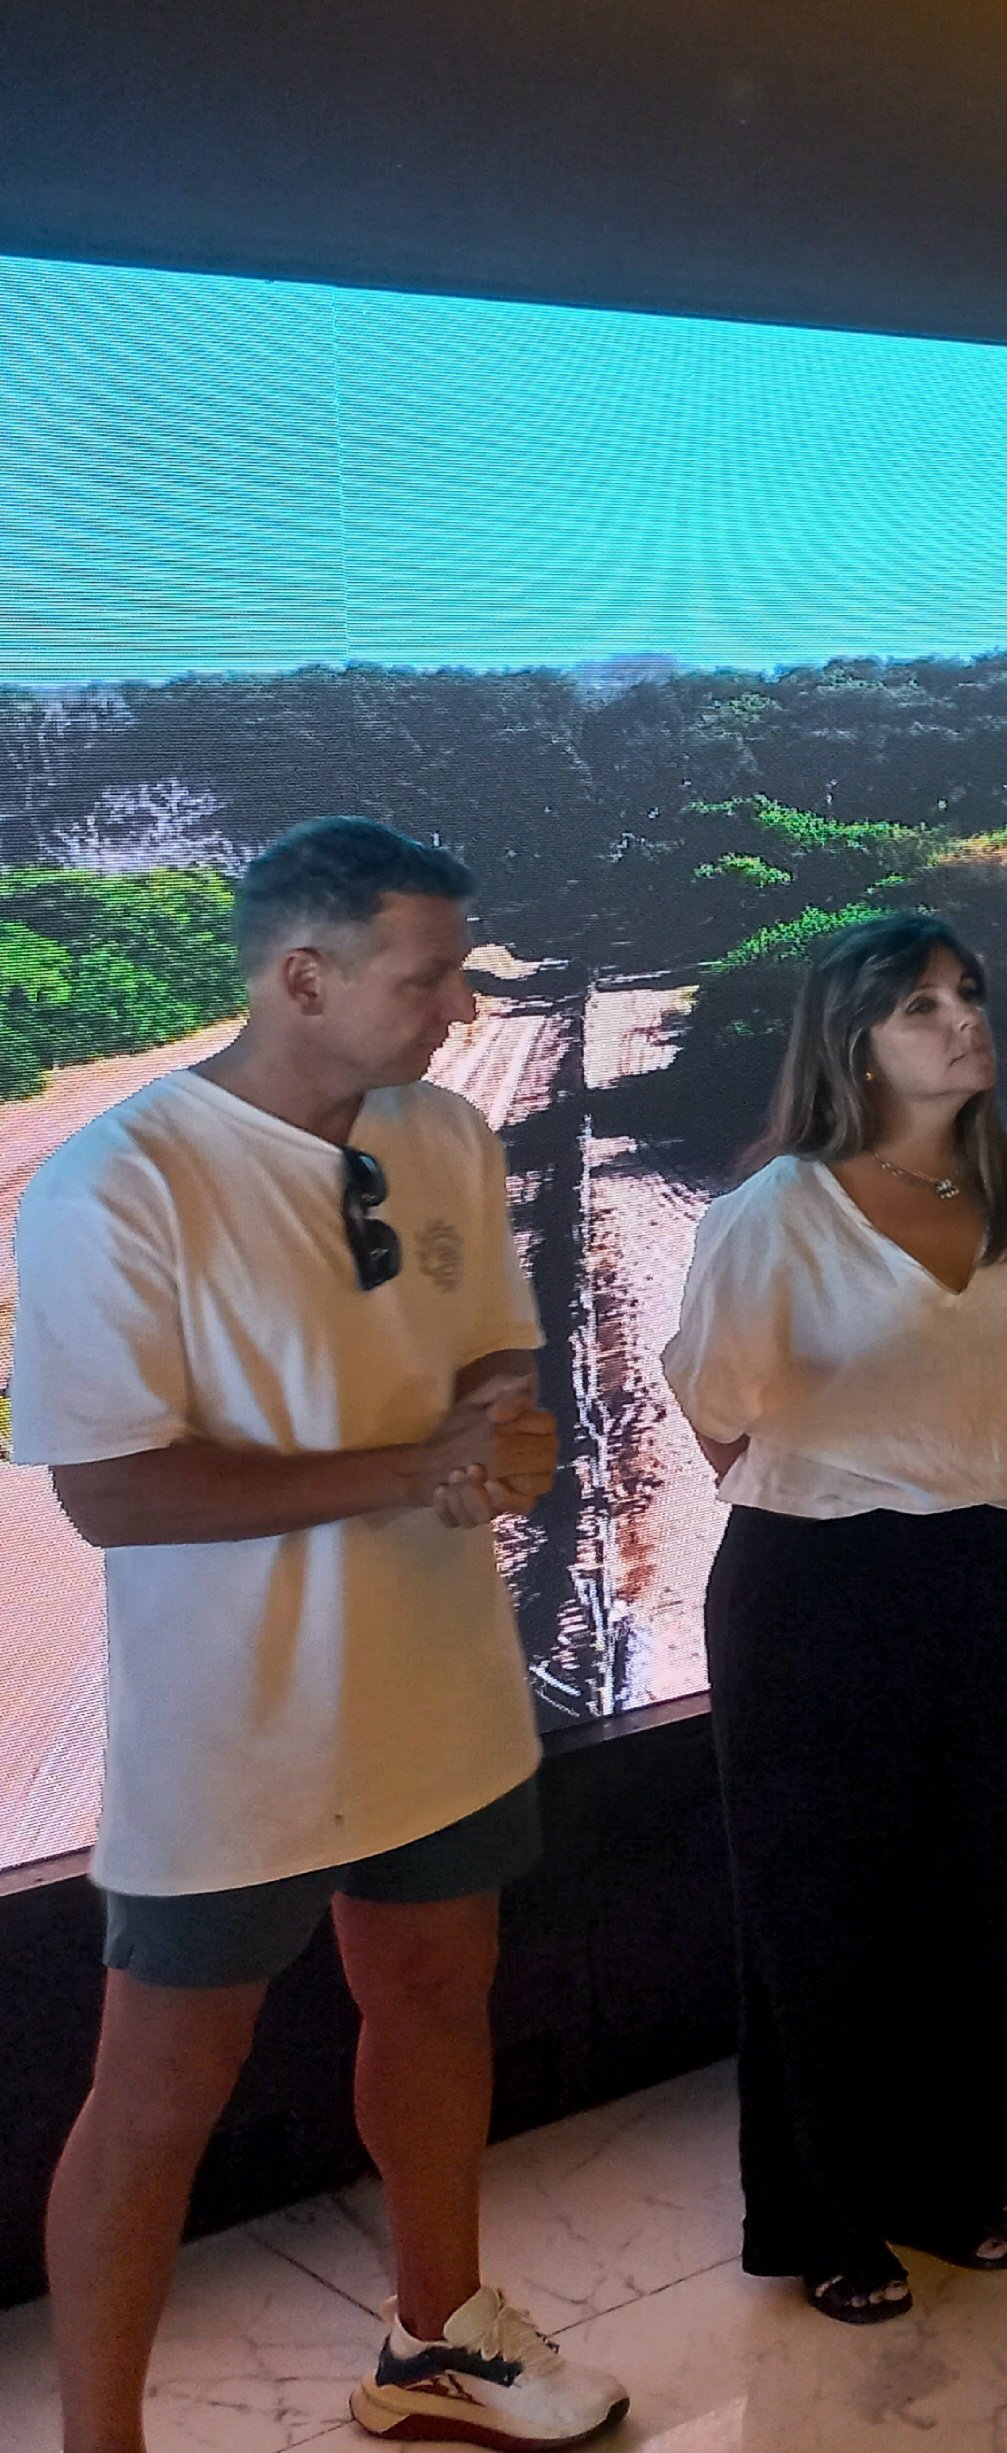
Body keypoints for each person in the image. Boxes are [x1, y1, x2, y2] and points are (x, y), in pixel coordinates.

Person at [12, 817, 626, 2450]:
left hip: (439, 1684)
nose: (457, 1010)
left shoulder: (439, 1139)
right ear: (304, 975)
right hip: (235, 1727)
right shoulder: (112, 1183)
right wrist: (406, 1467)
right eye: (429, 976)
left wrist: (507, 1425)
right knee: (157, 2097)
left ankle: (437, 2341)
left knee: (436, 1992)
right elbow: (116, 1493)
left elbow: (494, 1350)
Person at [660, 913, 1007, 2323]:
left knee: (983, 1891)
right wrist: (862, 1481)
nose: (962, 1020)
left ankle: (962, 2176)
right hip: (824, 1587)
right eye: (921, 1005)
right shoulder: (774, 1212)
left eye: (968, 993)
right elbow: (715, 1415)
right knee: (823, 1907)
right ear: (852, 1040)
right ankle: (827, 2215)